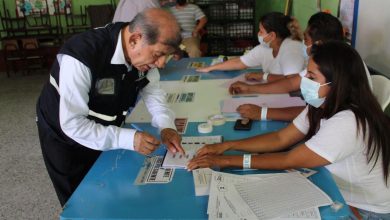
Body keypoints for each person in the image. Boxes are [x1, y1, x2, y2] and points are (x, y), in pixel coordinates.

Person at [188, 41, 390, 218]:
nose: (304, 81)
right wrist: (227, 146)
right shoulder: (321, 105)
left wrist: (224, 160)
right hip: (337, 189)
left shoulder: (349, 122)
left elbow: (288, 159)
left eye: (311, 76)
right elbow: (280, 138)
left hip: (366, 210)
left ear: (337, 83)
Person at [36, 8, 185, 206]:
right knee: (79, 201)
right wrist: (128, 139)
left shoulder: (142, 58)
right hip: (64, 136)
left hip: (106, 125)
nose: (161, 64)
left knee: (107, 188)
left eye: (166, 56)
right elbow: (73, 124)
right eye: (158, 55)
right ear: (135, 39)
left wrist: (166, 126)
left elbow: (154, 93)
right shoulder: (82, 55)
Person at [235, 12, 374, 122]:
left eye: (306, 39)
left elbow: (314, 113)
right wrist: (250, 88)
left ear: (318, 44)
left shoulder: (339, 65)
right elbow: (291, 83)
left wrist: (263, 112)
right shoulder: (333, 57)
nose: (303, 43)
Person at [197, 12, 304, 82]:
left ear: (272, 35)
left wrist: (262, 77)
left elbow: (292, 81)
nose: (258, 34)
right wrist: (211, 68)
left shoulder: (292, 49)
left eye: (261, 31)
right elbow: (239, 62)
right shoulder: (265, 49)